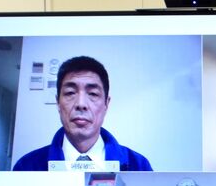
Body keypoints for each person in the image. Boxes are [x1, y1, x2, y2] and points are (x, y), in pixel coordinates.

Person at [13, 56, 152, 171]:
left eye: (93, 94)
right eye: (70, 93)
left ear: (106, 104)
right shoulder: (26, 167)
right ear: (58, 103)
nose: (81, 104)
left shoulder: (139, 166)